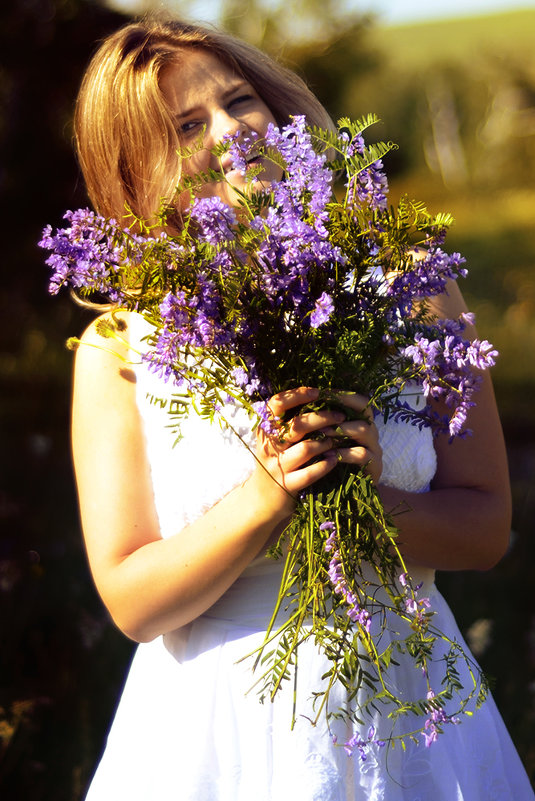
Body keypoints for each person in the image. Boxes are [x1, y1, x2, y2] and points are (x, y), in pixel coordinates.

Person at [70, 16, 534, 800]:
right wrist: (267, 494)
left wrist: (367, 498)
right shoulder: (120, 346)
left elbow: (486, 528)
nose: (232, 131)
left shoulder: (411, 283)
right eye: (187, 125)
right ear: (135, 171)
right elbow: (131, 600)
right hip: (217, 732)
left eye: (239, 100)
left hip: (410, 703)